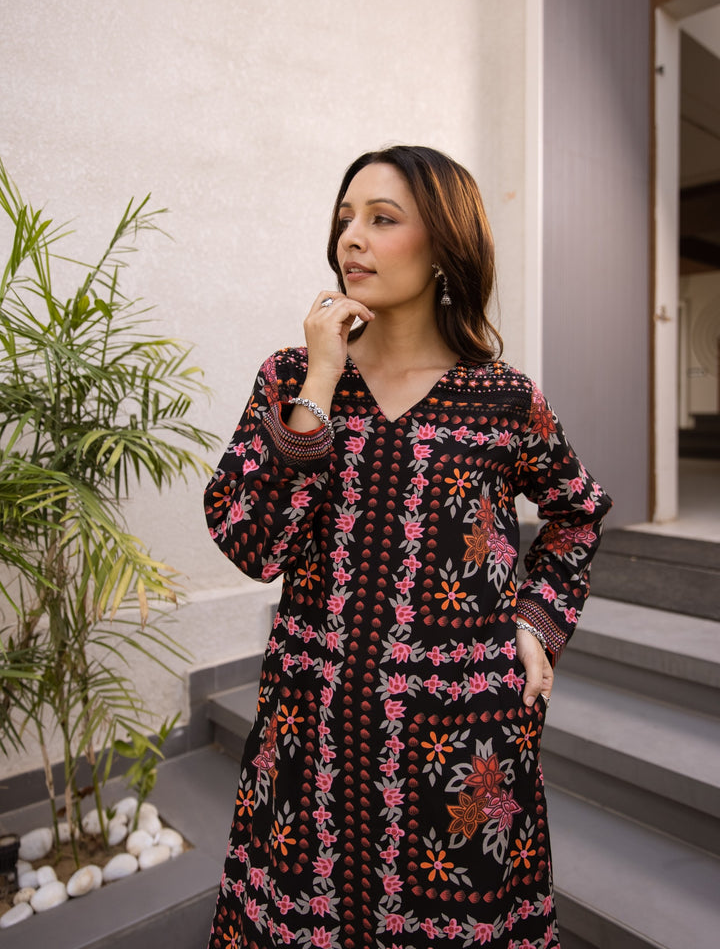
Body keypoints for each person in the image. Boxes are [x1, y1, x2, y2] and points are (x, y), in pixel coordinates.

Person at [204, 146, 612, 949]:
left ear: (442, 249)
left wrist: (538, 621)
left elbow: (578, 512)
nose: (351, 238)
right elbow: (254, 544)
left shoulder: (503, 399)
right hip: (311, 733)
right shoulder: (290, 379)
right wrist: (320, 385)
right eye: (345, 219)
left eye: (382, 219)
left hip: (460, 746)